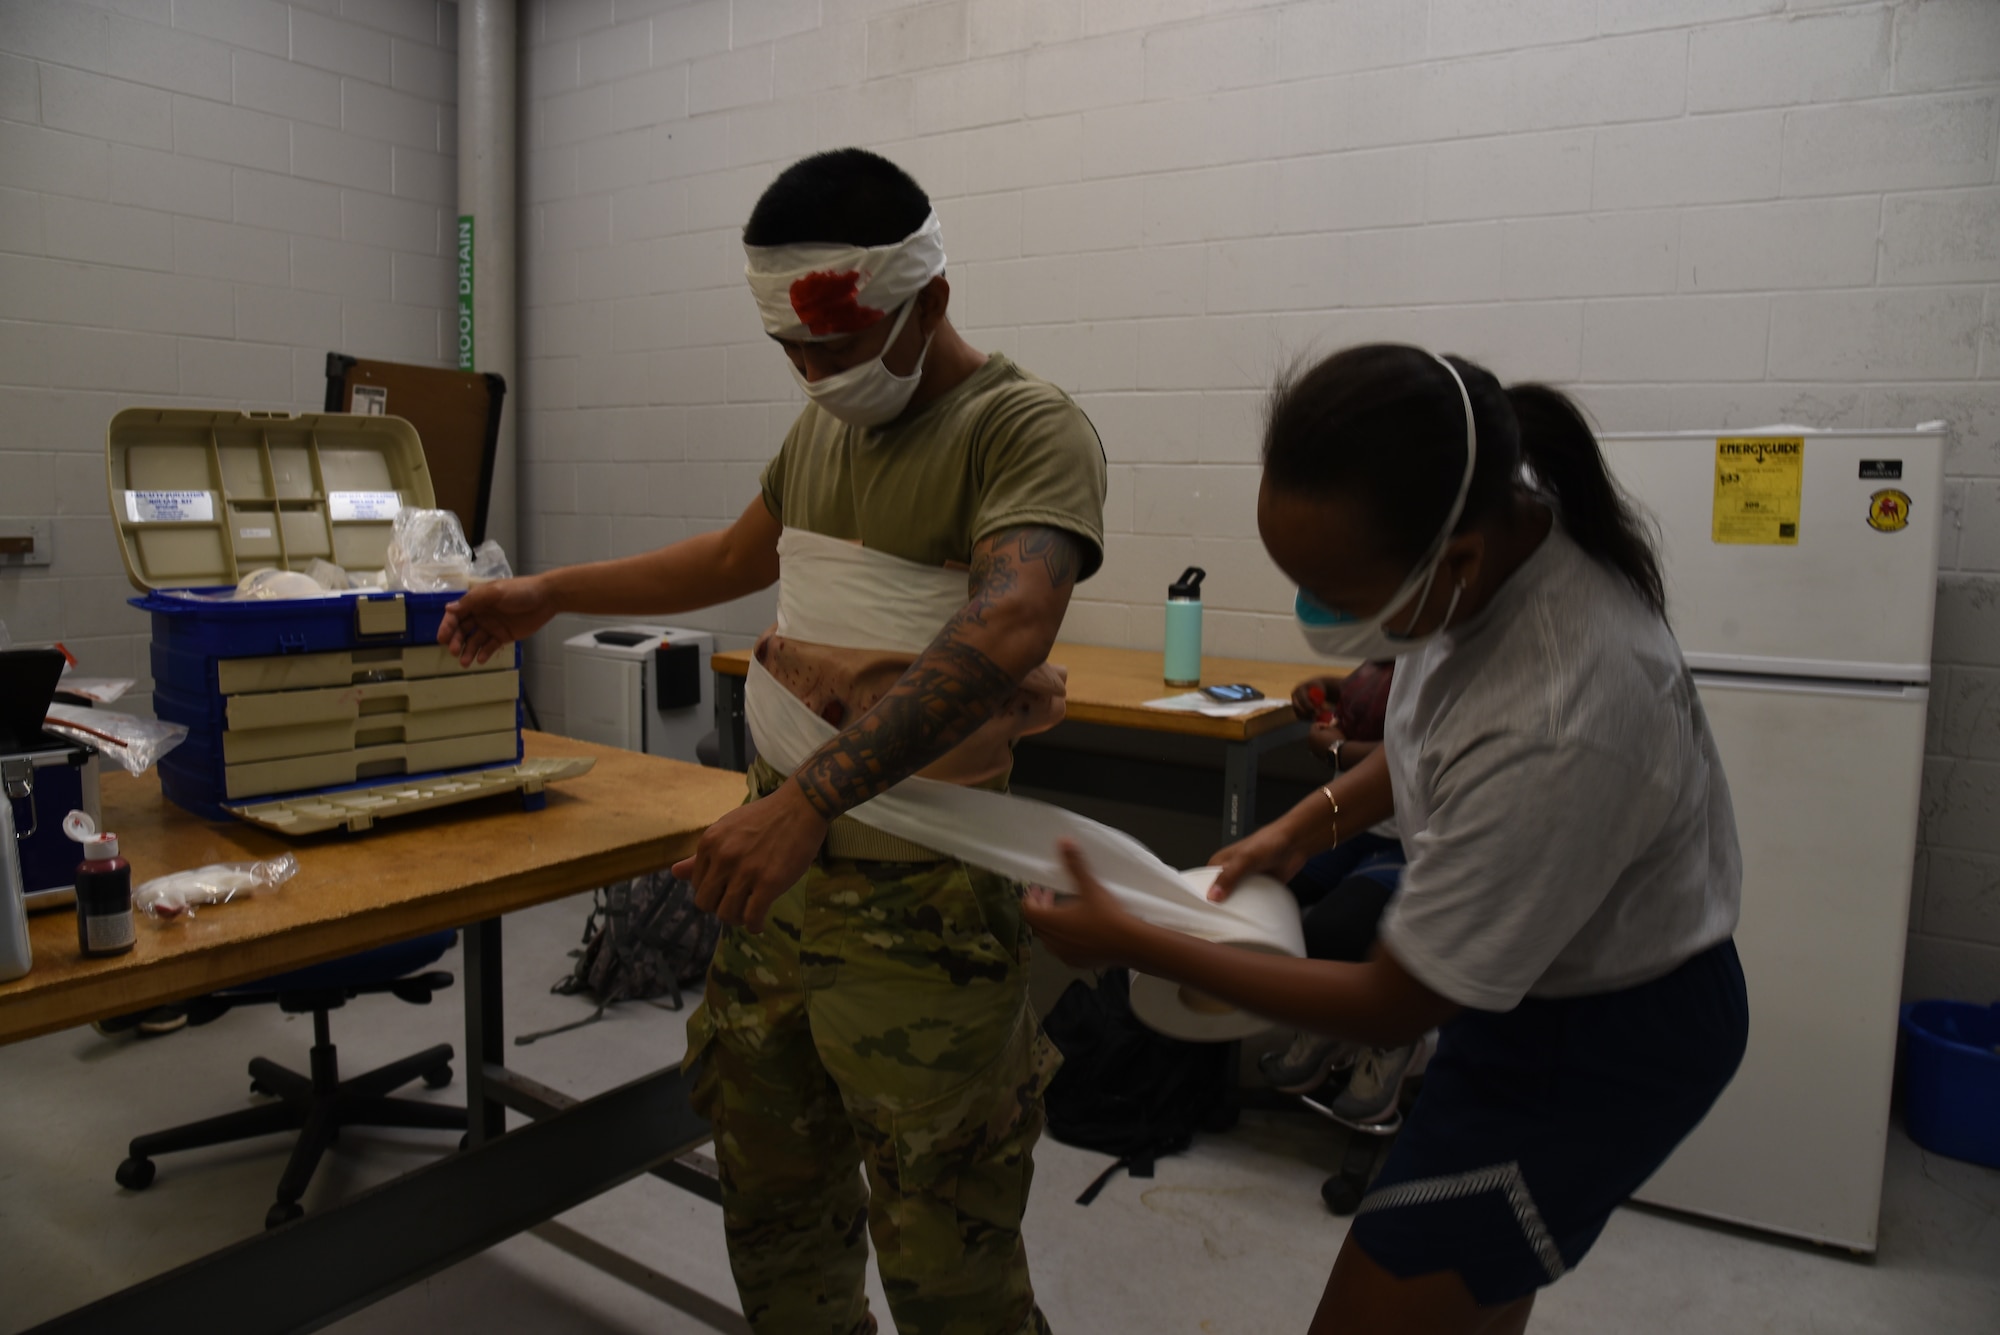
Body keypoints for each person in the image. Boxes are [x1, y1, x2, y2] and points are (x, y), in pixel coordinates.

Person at [441, 149, 1107, 1335]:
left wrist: (808, 801)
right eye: (790, 353)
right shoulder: (819, 433)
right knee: (774, 1214)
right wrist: (548, 593)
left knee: (945, 1256)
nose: (811, 375)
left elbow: (1006, 622)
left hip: (919, 910)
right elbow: (728, 560)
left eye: (836, 350)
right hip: (773, 902)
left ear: (930, 303)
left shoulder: (1021, 427)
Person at [1023, 345, 1747, 1335]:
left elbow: (1391, 1001)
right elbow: (1433, 744)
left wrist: (1140, 943)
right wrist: (1295, 827)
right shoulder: (1488, 554)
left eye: (1337, 592)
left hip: (1599, 1041)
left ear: (1451, 561)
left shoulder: (1562, 709)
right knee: (1468, 1283)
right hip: (1526, 991)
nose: (1317, 615)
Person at [1260, 660, 1420, 1131]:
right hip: (1356, 823)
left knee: (1331, 930)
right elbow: (1384, 682)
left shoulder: (1464, 646)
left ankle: (1390, 1035)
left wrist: (1337, 750)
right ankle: (1326, 1021)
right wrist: (1331, 687)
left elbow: (1414, 750)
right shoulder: (1405, 639)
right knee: (1261, 892)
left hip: (1414, 838)